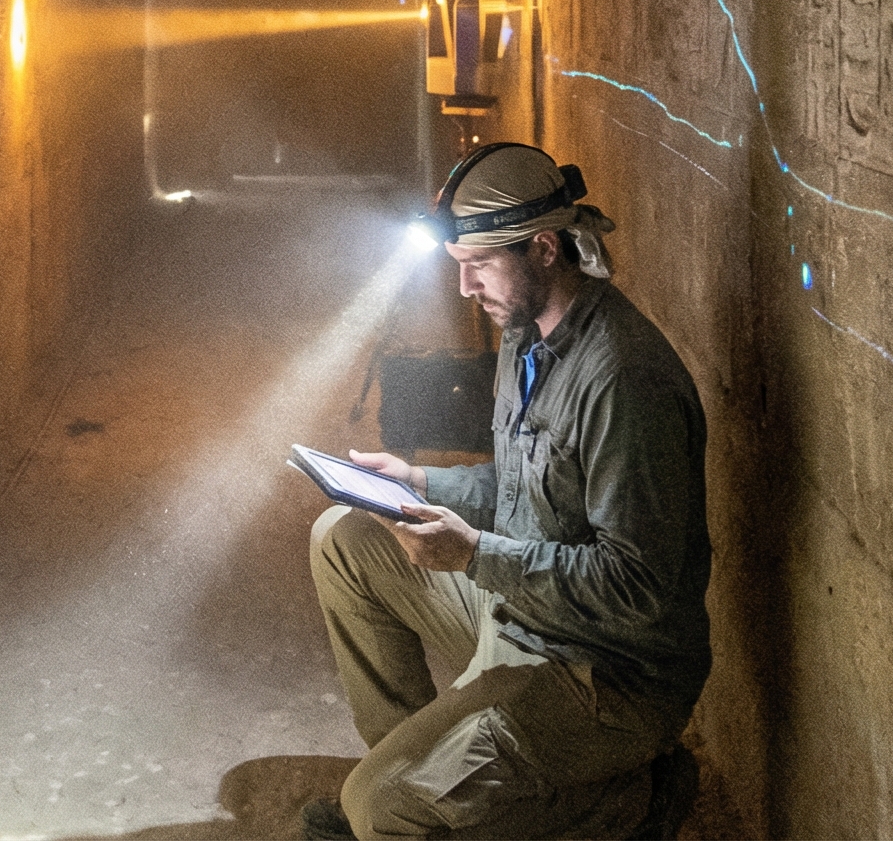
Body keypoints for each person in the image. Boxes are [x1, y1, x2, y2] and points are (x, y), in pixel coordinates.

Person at [304, 143, 710, 841]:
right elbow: (530, 489)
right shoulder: (525, 338)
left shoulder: (621, 381)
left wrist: (472, 554)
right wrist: (422, 482)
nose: (465, 289)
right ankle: (432, 787)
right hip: (525, 616)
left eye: (479, 266)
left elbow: (637, 585)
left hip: (603, 674)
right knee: (344, 538)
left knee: (380, 809)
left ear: (545, 249)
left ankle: (634, 799)